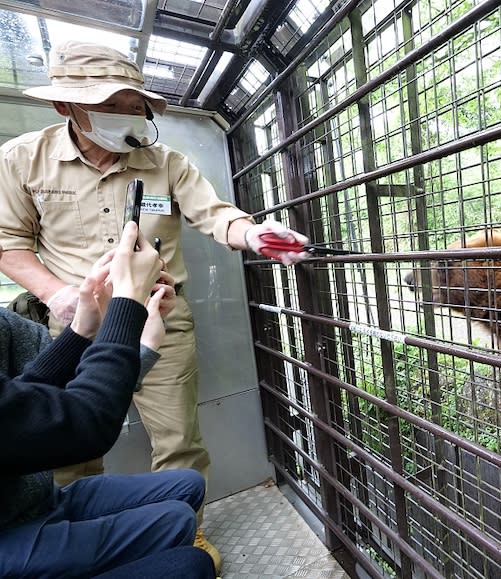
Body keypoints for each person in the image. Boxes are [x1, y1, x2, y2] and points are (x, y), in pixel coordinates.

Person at [0, 40, 309, 572]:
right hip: (80, 327)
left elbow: (216, 214)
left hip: (159, 320)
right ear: (65, 107)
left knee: (179, 439)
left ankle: (188, 533)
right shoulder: (24, 160)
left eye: (132, 104)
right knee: (71, 447)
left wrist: (256, 235)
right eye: (109, 105)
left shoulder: (165, 161)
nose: (126, 116)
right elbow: (8, 242)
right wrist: (58, 295)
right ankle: (75, 545)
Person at [0, 222, 215, 579]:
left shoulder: (10, 326)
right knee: (188, 559)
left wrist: (86, 329)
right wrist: (127, 302)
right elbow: (83, 422)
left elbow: (31, 398)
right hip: (11, 532)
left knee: (186, 488)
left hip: (26, 498)